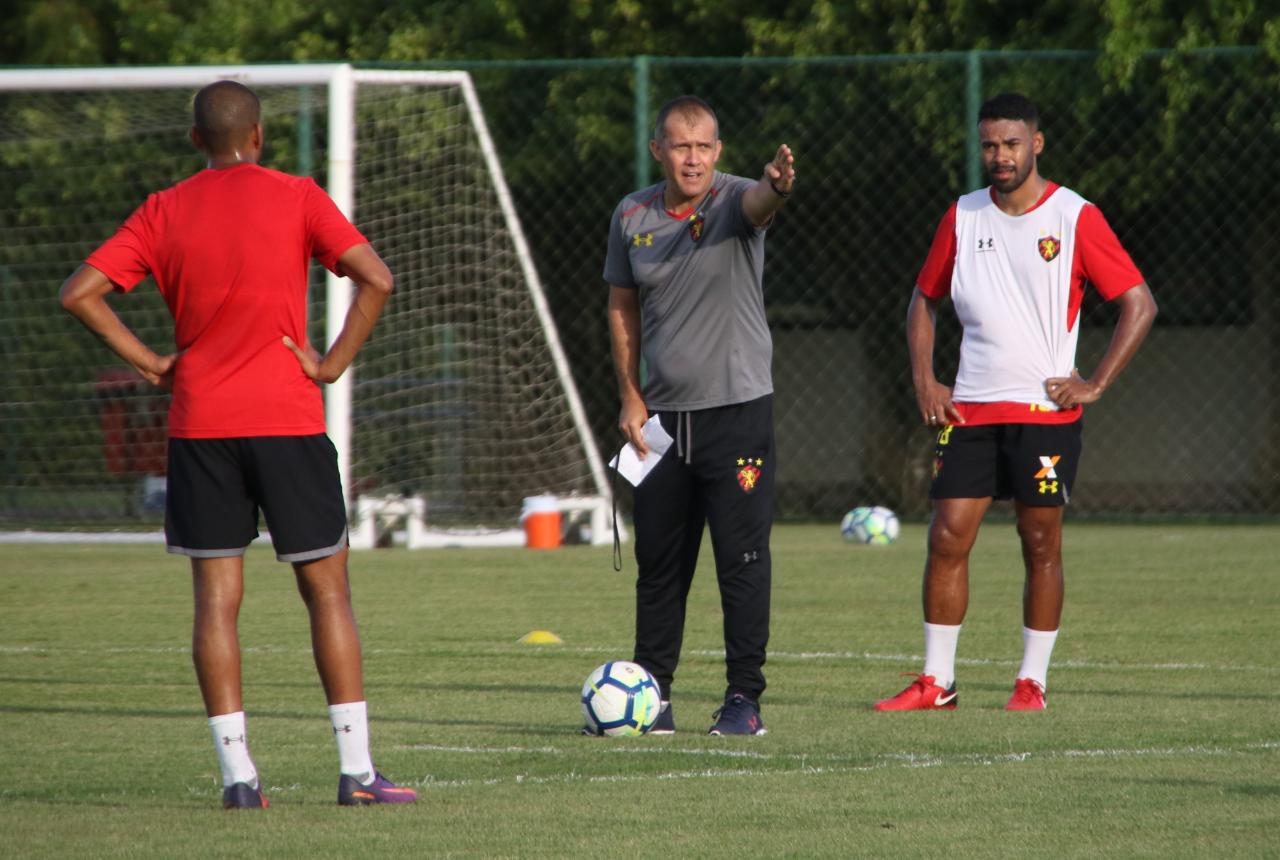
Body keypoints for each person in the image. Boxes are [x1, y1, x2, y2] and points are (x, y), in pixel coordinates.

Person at [59, 81, 417, 808]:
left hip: (201, 425)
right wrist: (330, 365)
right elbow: (376, 278)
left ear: (197, 141)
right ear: (258, 136)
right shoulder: (297, 195)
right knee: (327, 592)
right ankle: (356, 774)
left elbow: (79, 292)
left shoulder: (164, 209)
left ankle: (239, 782)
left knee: (216, 603)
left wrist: (153, 363)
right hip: (287, 419)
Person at [875, 92, 1158, 712]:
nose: (998, 157)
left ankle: (1031, 683)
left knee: (1040, 544)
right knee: (947, 538)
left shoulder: (1075, 216)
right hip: (970, 409)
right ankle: (937, 682)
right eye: (988, 145)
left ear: (1036, 143)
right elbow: (923, 300)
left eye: (1010, 144)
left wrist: (1096, 382)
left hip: (1044, 414)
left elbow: (1139, 303)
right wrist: (926, 380)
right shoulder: (963, 215)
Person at [605, 95, 794, 735]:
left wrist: (774, 186)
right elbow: (621, 307)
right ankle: (649, 697)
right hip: (660, 423)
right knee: (659, 566)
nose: (694, 158)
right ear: (659, 149)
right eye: (681, 145)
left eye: (705, 146)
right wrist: (631, 395)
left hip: (737, 415)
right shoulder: (631, 213)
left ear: (719, 152)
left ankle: (744, 699)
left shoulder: (737, 201)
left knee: (741, 561)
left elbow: (760, 206)